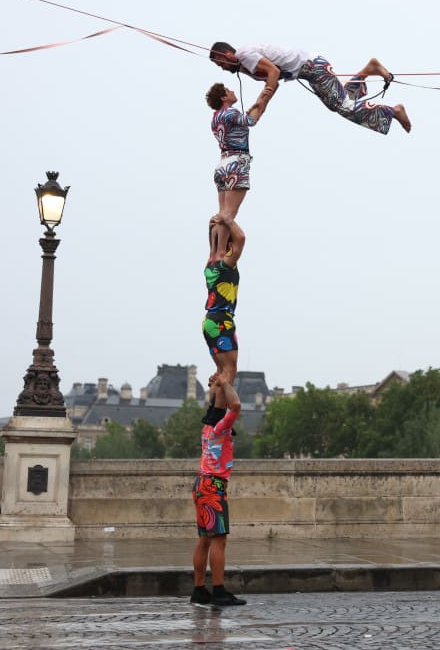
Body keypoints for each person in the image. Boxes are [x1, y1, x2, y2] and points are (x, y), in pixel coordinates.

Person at [209, 41, 412, 135]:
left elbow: (273, 73)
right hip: (309, 70)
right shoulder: (243, 67)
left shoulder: (244, 55)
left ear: (227, 54)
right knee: (338, 104)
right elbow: (273, 82)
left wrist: (261, 100)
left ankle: (393, 111)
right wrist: (260, 109)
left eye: (221, 64)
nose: (223, 69)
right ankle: (368, 70)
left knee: (343, 107)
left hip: (312, 67)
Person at [190, 372, 246, 606]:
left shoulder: (208, 430)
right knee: (218, 540)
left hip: (202, 484)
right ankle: (219, 591)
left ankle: (199, 589)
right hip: (213, 487)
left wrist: (216, 388)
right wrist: (224, 383)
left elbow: (218, 404)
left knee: (204, 539)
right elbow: (235, 405)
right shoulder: (220, 429)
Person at [205, 82, 269, 252]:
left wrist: (253, 107)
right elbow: (250, 121)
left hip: (222, 164)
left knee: (222, 213)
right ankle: (219, 255)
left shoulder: (216, 117)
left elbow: (239, 123)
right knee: (228, 215)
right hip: (236, 162)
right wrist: (262, 102)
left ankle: (215, 252)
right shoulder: (230, 112)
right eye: (228, 90)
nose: (232, 90)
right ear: (224, 98)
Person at [203, 212, 245, 389]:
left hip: (209, 322)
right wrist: (228, 220)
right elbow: (241, 238)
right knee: (229, 372)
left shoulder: (210, 265)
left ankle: (214, 411)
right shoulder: (225, 264)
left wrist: (213, 226)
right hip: (222, 320)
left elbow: (215, 244)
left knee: (221, 373)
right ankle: (227, 412)